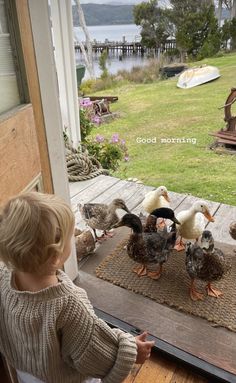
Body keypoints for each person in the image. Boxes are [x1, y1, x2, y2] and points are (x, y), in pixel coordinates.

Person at [0, 191, 155, 383]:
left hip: (27, 374)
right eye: (70, 237)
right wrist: (131, 350)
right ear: (56, 255)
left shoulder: (3, 276)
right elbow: (97, 355)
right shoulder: (68, 305)